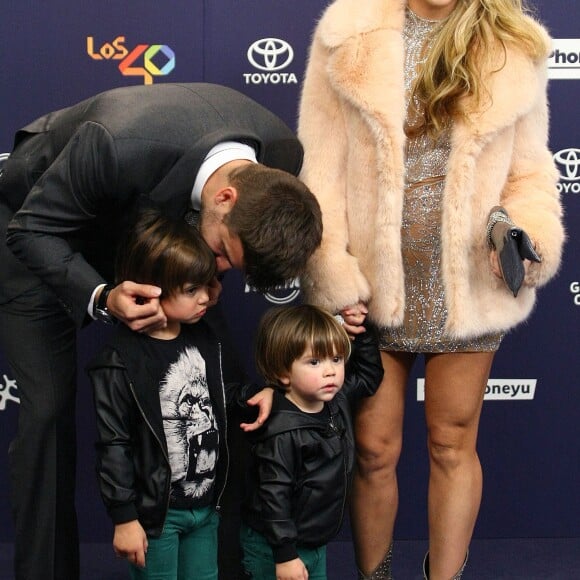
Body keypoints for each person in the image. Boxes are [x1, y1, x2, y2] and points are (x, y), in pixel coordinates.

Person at [0, 82, 322, 580]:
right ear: (225, 197)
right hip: (40, 224)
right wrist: (103, 296)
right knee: (47, 412)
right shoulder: (115, 141)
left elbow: (210, 254)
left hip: (150, 235)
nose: (219, 275)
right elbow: (30, 229)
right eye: (221, 256)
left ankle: (221, 566)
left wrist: (207, 275)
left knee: (225, 393)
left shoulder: (281, 156)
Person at [297, 1, 564, 579]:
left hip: (468, 282)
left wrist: (520, 230)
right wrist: (333, 271)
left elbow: (529, 172)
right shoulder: (348, 31)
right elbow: (322, 169)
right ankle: (376, 576)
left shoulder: (511, 43)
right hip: (373, 284)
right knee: (373, 450)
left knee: (451, 442)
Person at [87, 210, 273, 579]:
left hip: (205, 507)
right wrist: (124, 518)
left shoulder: (204, 338)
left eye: (207, 284)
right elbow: (114, 445)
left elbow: (219, 392)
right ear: (151, 287)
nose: (206, 297)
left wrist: (257, 394)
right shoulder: (119, 362)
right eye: (191, 289)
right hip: (157, 517)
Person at [240, 304, 384, 580]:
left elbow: (368, 376)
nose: (330, 371)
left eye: (337, 359)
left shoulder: (336, 401)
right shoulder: (281, 430)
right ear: (283, 372)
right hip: (274, 549)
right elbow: (274, 497)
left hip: (312, 543)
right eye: (314, 362)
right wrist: (285, 555)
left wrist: (363, 334)